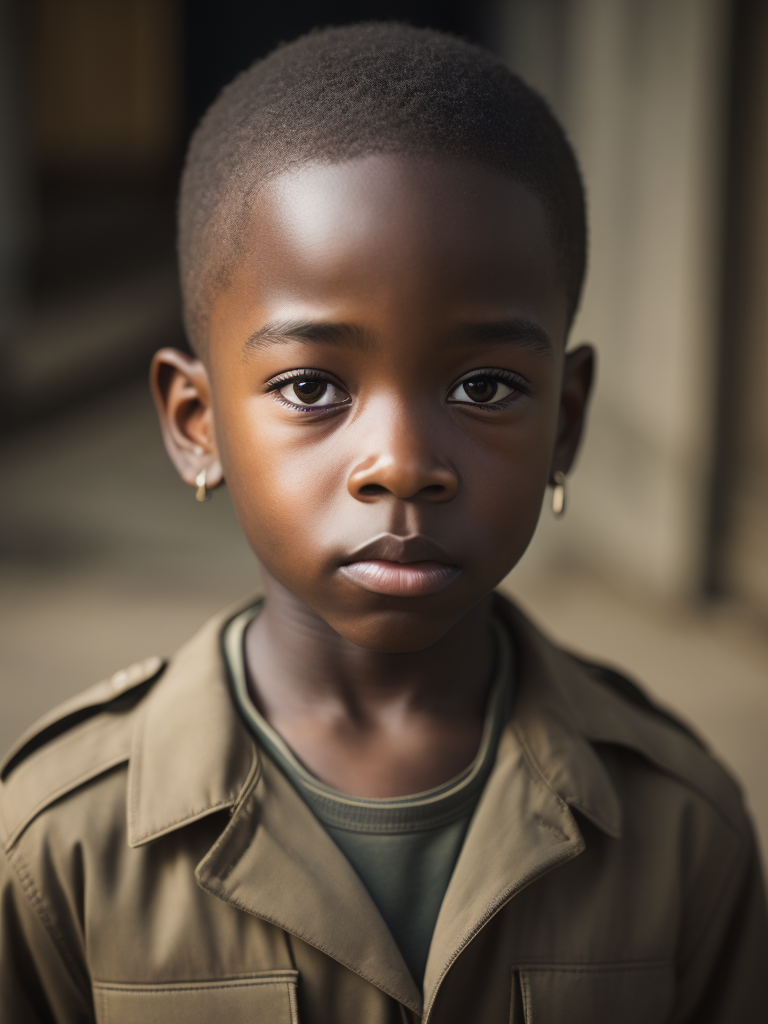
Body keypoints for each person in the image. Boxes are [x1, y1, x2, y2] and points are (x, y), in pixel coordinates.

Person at [1, 22, 765, 1024]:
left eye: (486, 384)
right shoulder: (61, 846)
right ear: (198, 425)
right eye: (313, 385)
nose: (402, 462)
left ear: (566, 422)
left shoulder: (681, 829)